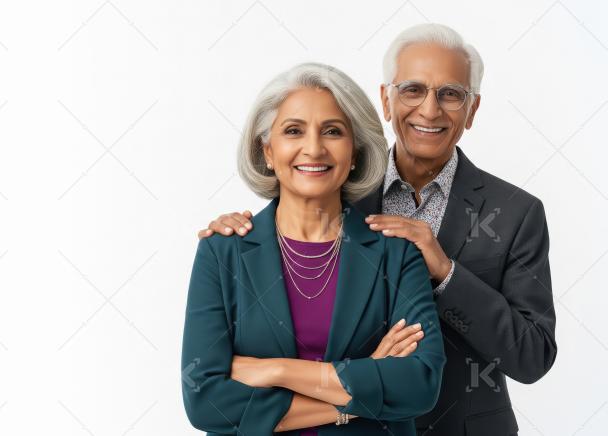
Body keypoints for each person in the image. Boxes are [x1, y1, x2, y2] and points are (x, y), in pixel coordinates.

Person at [197, 24, 556, 436]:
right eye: (412, 89)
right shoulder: (334, 191)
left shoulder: (515, 213)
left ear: (472, 109)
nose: (429, 110)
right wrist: (238, 235)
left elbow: (532, 356)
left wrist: (446, 272)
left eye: (451, 94)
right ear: (386, 100)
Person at [181, 62, 445, 435]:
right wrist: (358, 396)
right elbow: (206, 403)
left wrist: (277, 370)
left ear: (354, 152)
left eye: (333, 132)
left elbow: (419, 384)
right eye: (293, 131)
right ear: (268, 151)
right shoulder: (223, 252)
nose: (314, 148)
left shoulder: (397, 254)